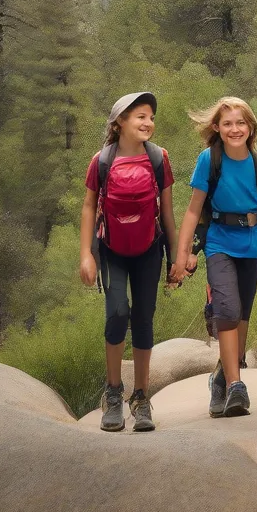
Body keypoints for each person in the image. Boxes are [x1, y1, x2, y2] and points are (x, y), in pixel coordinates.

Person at [172, 97, 257, 418]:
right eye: (228, 123)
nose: (235, 129)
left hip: (252, 244)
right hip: (219, 241)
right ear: (217, 128)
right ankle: (236, 385)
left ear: (251, 127)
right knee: (228, 310)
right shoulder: (209, 159)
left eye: (240, 123)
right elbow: (194, 210)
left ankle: (221, 376)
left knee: (242, 315)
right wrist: (182, 254)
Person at [79, 92, 178, 432]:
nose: (147, 122)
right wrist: (86, 255)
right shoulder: (102, 161)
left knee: (144, 318)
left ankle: (141, 397)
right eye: (139, 116)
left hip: (150, 249)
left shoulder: (158, 158)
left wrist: (176, 258)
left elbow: (167, 211)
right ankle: (113, 392)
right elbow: (89, 206)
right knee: (118, 312)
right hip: (113, 251)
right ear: (119, 121)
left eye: (150, 116)